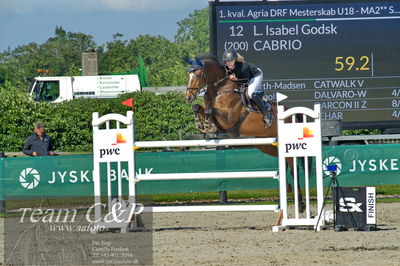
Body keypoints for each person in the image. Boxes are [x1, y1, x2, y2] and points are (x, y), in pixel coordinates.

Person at [222, 49, 272, 127]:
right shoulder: (225, 66)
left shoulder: (243, 67)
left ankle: (267, 115)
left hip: (256, 75)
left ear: (235, 60)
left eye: (231, 60)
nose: (229, 63)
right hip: (245, 78)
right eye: (227, 61)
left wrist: (235, 80)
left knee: (250, 93)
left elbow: (246, 82)